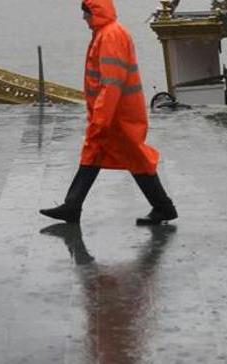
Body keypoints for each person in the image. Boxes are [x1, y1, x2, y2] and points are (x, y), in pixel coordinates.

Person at [39, 0, 177, 225]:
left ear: (94, 12)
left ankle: (163, 207)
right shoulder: (108, 33)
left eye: (86, 14)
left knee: (129, 156)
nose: (84, 19)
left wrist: (101, 117)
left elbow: (111, 83)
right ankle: (73, 205)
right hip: (117, 111)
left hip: (117, 113)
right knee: (100, 153)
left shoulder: (109, 36)